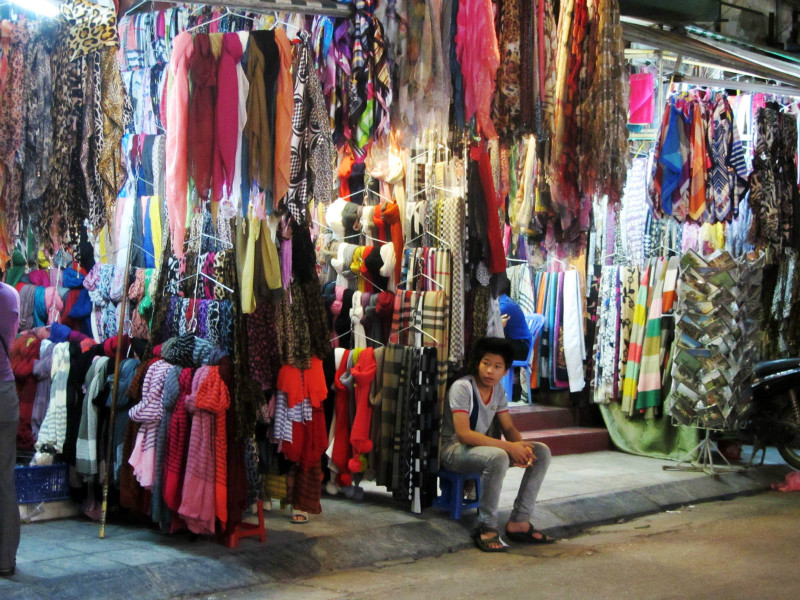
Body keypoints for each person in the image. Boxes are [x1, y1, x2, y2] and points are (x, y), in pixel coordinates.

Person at [440, 337, 554, 552]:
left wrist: (522, 449)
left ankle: (520, 521)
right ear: (477, 363)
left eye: (497, 366)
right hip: (453, 451)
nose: (490, 371)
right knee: (498, 456)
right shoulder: (462, 387)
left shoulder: (499, 391)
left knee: (541, 452)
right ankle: (487, 526)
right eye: (486, 363)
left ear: (505, 370)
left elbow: (508, 428)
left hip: (479, 451)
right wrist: (509, 448)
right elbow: (464, 434)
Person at [0, 279, 20, 576]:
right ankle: (4, 561)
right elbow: (11, 340)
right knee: (4, 479)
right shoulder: (10, 296)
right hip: (5, 392)